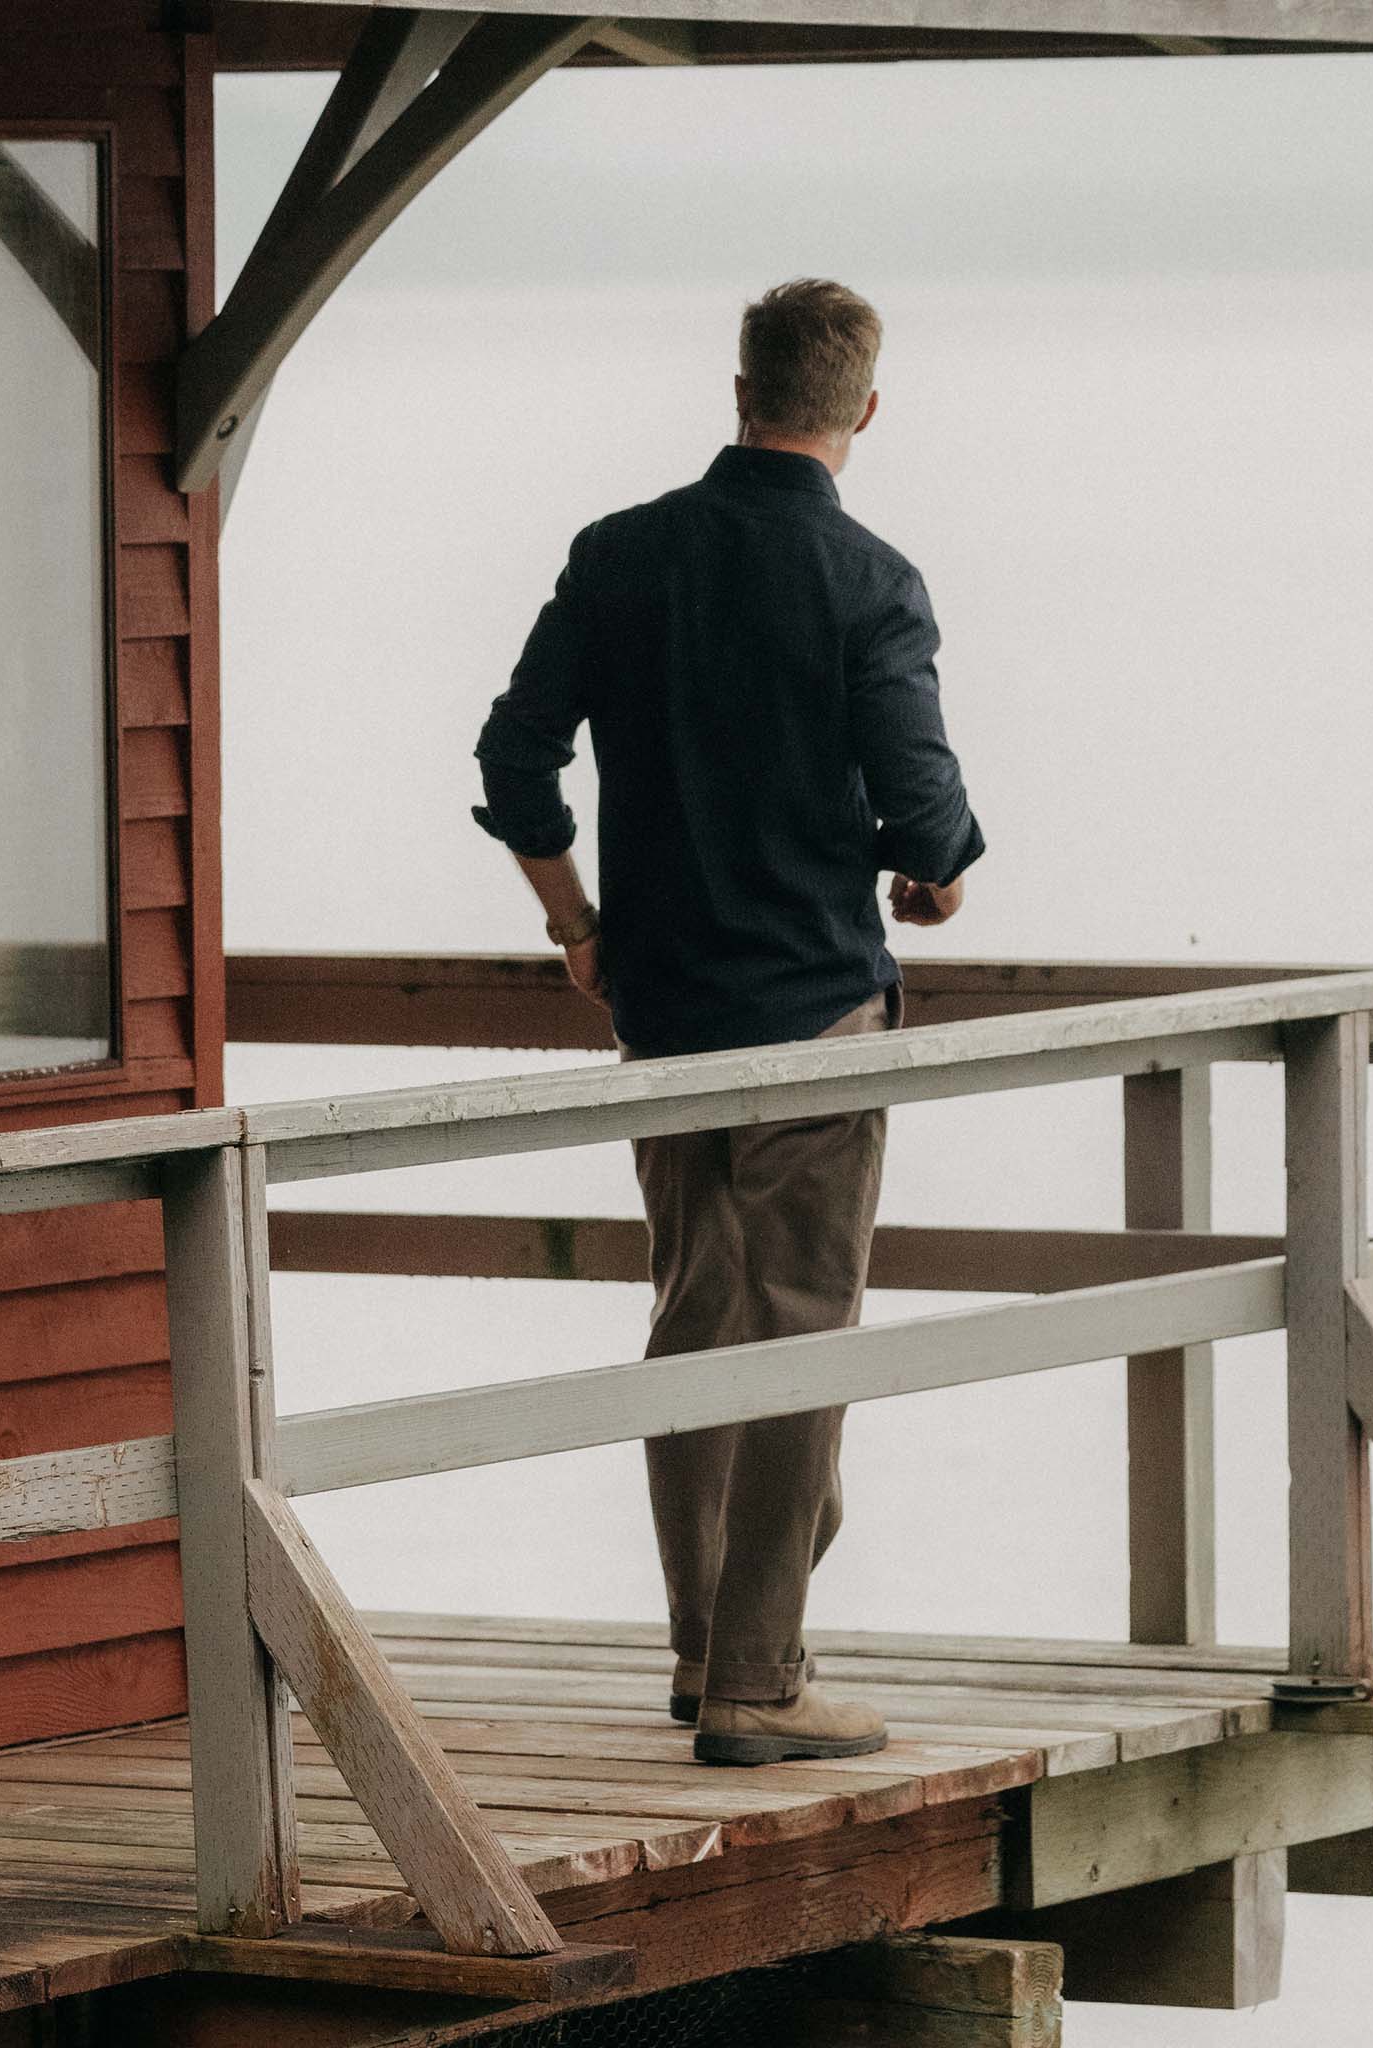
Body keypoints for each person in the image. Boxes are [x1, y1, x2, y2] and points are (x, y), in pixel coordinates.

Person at [472, 279, 985, 1764]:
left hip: (667, 1010)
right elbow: (930, 820)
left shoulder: (624, 554)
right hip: (816, 1010)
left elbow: (518, 761)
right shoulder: (872, 582)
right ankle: (762, 1685)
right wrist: (934, 880)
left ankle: (708, 1656)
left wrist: (577, 928)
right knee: (804, 1336)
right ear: (865, 411)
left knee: (697, 1324)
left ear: (739, 387)